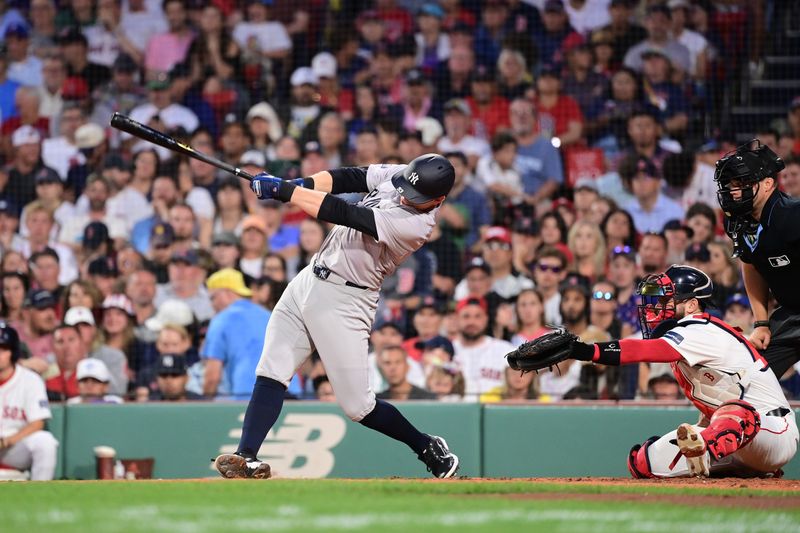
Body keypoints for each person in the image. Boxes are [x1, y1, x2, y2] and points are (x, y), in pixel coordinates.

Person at [213, 153, 460, 479]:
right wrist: (302, 184)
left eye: (413, 197)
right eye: (404, 188)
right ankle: (248, 455)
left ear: (437, 200)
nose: (403, 195)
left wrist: (286, 192)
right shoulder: (405, 175)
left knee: (358, 406)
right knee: (272, 368)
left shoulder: (416, 225)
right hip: (310, 277)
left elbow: (345, 213)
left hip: (346, 299)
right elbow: (351, 177)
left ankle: (426, 446)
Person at [511, 265, 798, 477]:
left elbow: (645, 351)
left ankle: (712, 453)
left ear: (692, 305)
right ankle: (727, 465)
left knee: (737, 411)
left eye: (665, 299)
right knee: (643, 462)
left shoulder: (702, 327)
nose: (653, 307)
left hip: (772, 430)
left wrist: (586, 351)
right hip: (735, 441)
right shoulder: (685, 335)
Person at [714, 140, 800, 379]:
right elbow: (751, 266)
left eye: (742, 183)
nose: (734, 190)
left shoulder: (792, 216)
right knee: (751, 380)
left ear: (768, 184)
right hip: (790, 314)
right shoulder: (735, 221)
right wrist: (761, 323)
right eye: (730, 184)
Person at [0, 322, 59, 480]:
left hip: (12, 447)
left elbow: (37, 423)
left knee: (45, 442)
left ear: (13, 353)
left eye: (3, 349)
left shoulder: (30, 380)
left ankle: (41, 494)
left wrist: (8, 441)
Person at [202, 268, 271, 400]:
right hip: (289, 392)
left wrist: (203, 405)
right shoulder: (270, 315)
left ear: (226, 293)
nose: (212, 305)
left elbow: (212, 377)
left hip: (248, 396)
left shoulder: (221, 320)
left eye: (213, 298)